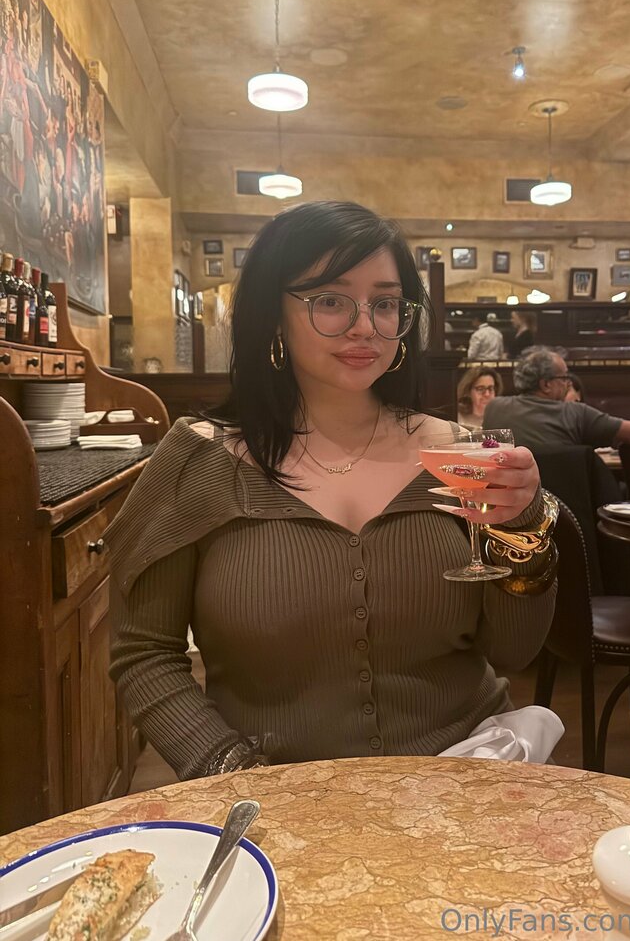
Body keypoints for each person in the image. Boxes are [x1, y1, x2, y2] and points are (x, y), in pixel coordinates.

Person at [106, 202, 554, 780]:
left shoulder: (462, 455)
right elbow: (144, 652)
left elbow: (516, 650)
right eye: (331, 300)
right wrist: (233, 771)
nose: (365, 326)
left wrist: (524, 527)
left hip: (462, 782)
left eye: (385, 303)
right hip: (277, 801)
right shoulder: (199, 461)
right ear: (273, 314)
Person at [484, 347, 630, 453]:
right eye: (564, 378)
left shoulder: (494, 408)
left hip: (507, 514)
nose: (568, 383)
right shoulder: (574, 413)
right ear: (546, 384)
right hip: (568, 510)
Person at [456, 366, 503, 431]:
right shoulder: (458, 418)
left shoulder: (502, 417)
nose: (487, 394)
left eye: (490, 388)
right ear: (468, 391)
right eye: (480, 389)